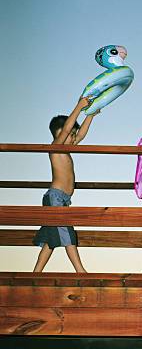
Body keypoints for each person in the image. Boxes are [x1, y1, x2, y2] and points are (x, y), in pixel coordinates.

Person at [33, 97, 97, 272]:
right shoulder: (55, 147)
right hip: (55, 198)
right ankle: (81, 271)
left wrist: (90, 115)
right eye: (70, 135)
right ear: (59, 133)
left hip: (62, 199)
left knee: (50, 239)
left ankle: (36, 273)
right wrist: (79, 106)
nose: (73, 138)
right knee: (67, 234)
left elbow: (81, 134)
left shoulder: (66, 149)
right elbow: (68, 128)